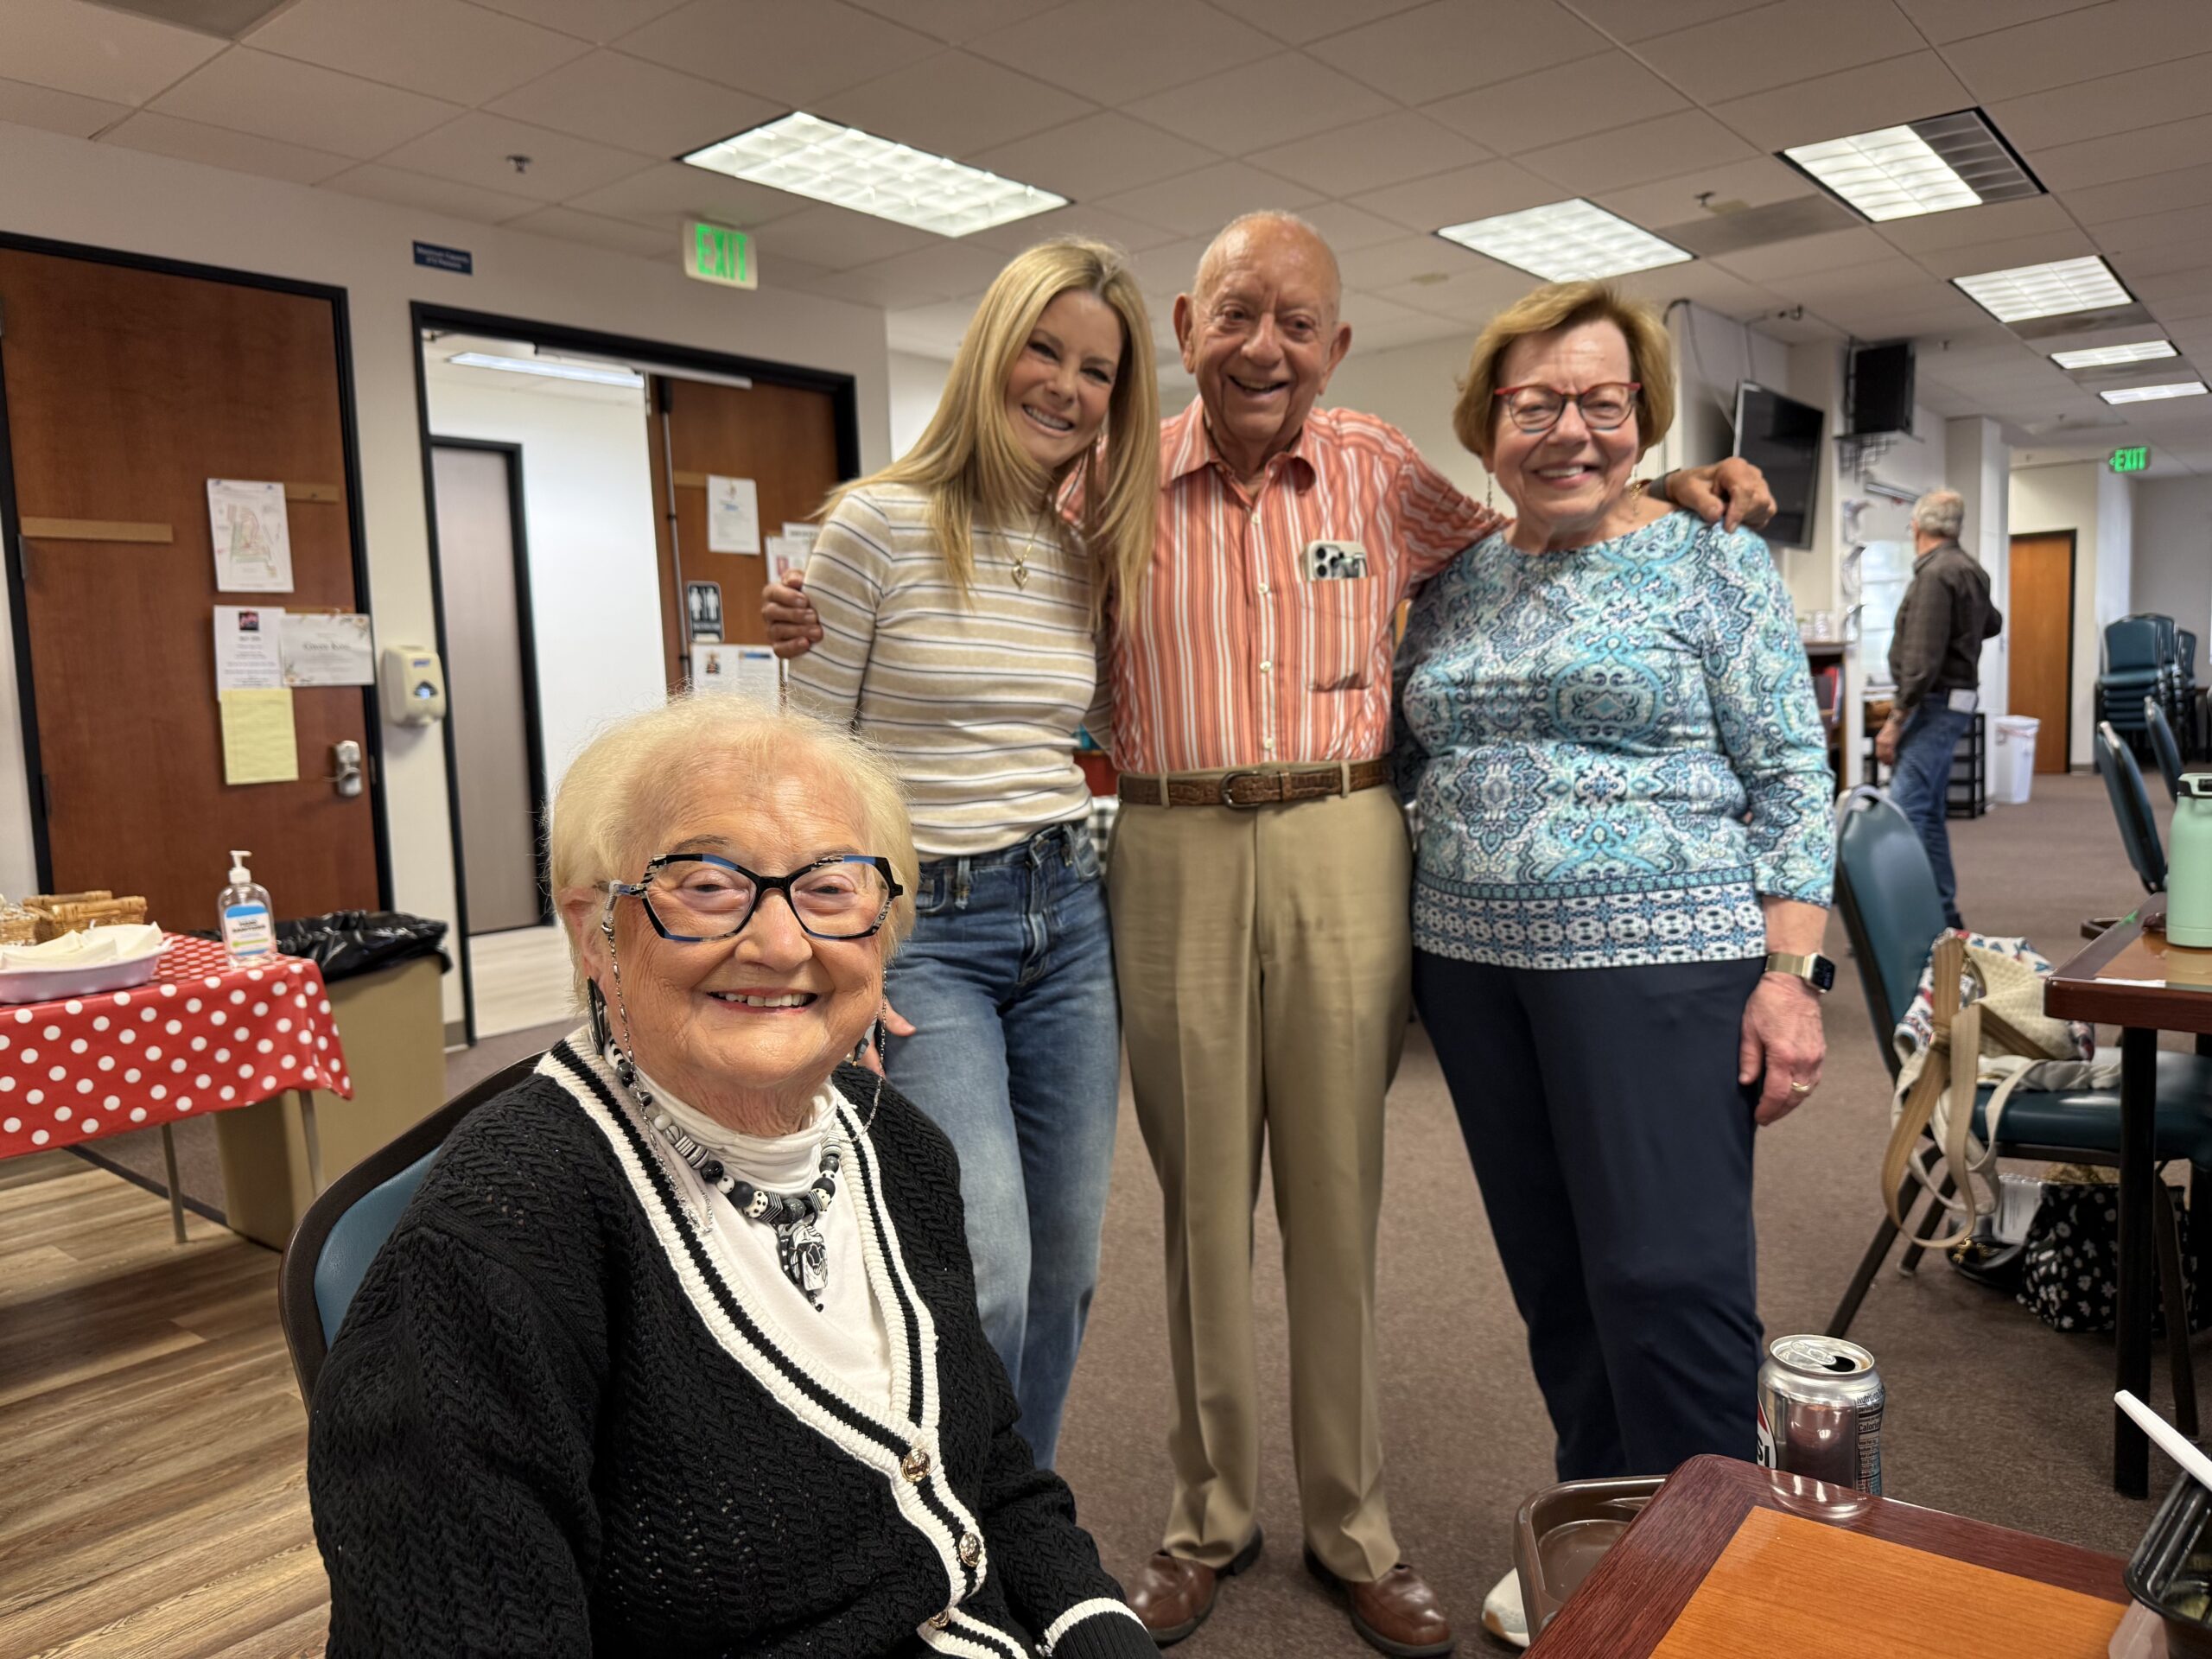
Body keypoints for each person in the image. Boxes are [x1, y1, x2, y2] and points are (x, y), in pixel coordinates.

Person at [768, 212, 1773, 1658]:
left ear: (1337, 345)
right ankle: (1205, 1520)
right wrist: (809, 612)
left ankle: (1354, 1526)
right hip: (1165, 840)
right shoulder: (1103, 486)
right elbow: (973, 550)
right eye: (1237, 315)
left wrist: (1667, 486)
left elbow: (1534, 528)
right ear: (1186, 330)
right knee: (1195, 1206)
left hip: (1341, 833)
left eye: (1298, 324)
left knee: (1337, 1195)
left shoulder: (1380, 469)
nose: (1265, 348)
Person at [308, 698, 1153, 1659]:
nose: (782, 944)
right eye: (708, 886)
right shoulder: (490, 1247)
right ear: (595, 932)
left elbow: (990, 1468)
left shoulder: (896, 1144)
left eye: (829, 887)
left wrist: (1095, 1623)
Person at [1395, 281, 1833, 1649]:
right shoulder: (1455, 577)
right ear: (1486, 423)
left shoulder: (1715, 563)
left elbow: (1792, 770)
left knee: (1669, 1283)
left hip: (1665, 969)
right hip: (1472, 974)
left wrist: (1792, 976)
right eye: (1536, 405)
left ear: (1644, 416)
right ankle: (1608, 1538)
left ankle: (1716, 1579)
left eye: (1602, 402)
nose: (1570, 431)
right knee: (1561, 1282)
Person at [784, 238, 1157, 1470]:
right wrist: (843, 955)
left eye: (1097, 370)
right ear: (992, 349)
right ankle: (947, 1524)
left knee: (1067, 1271)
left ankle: (1015, 1519)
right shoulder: (875, 526)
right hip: (926, 932)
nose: (1066, 386)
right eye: (1044, 350)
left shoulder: (1080, 550)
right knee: (985, 1270)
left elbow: (1079, 729)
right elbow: (810, 770)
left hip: (1068, 917)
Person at [1877, 488, 2001, 931]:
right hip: (1954, 703)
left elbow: (1921, 662)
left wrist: (1894, 722)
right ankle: (1941, 917)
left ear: (1918, 527)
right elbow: (1993, 623)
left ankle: (1912, 922)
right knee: (1925, 813)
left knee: (1906, 810)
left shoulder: (1935, 575)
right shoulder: (1969, 568)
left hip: (1933, 704)